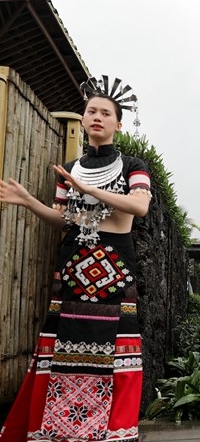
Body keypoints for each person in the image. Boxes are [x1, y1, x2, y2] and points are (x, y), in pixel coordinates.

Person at [0, 76, 151, 441]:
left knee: (115, 350)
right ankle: (62, 427)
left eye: (105, 112)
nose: (97, 116)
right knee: (63, 347)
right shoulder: (71, 168)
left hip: (114, 267)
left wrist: (89, 189)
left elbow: (139, 206)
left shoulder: (134, 165)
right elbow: (65, 218)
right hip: (73, 267)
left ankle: (111, 431)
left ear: (119, 123)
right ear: (83, 120)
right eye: (91, 111)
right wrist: (30, 202)